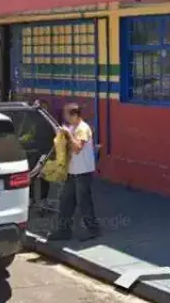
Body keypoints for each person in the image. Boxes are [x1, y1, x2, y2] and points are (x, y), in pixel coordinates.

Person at [47, 102, 100, 241]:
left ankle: (93, 230)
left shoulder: (83, 129)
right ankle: (64, 231)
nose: (64, 117)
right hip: (71, 172)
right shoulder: (71, 128)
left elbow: (77, 148)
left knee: (84, 202)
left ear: (74, 114)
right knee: (65, 202)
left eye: (66, 114)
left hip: (83, 172)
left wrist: (68, 135)